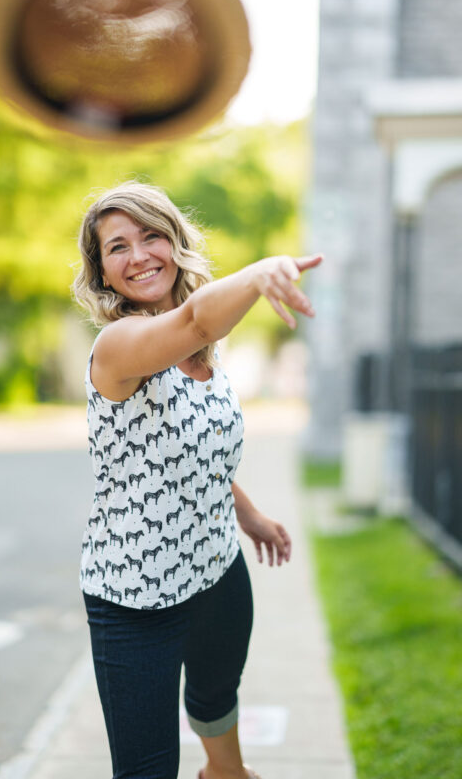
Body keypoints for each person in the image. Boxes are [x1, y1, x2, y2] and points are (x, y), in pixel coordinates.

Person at [72, 180, 323, 779]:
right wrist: (261, 273)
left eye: (152, 235)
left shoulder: (207, 355)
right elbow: (192, 322)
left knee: (215, 698)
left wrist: (248, 513)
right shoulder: (120, 346)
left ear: (176, 244)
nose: (139, 256)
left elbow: (190, 455)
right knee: (147, 770)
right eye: (118, 246)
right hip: (136, 594)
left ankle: (227, 775)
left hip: (215, 569)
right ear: (103, 272)